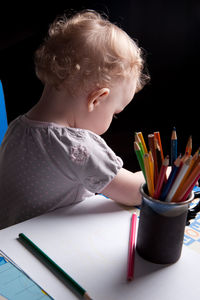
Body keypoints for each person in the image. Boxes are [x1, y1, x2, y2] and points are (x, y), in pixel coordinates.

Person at [0, 10, 149, 229]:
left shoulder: (17, 127)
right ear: (97, 99)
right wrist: (166, 173)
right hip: (44, 246)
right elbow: (135, 192)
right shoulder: (77, 147)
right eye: (115, 113)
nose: (113, 119)